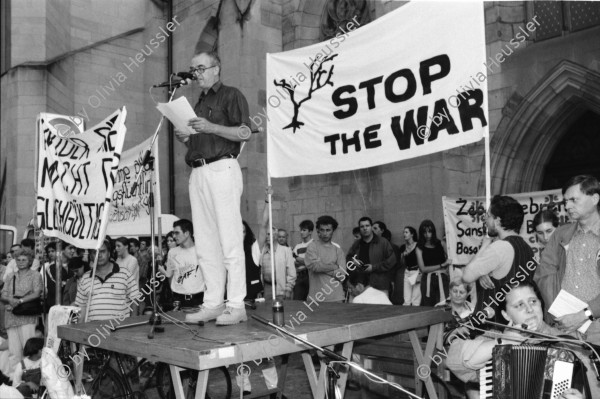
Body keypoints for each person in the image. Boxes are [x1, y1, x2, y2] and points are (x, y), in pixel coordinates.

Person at [177, 51, 253, 326]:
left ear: (216, 69)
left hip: (223, 168)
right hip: (198, 171)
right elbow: (204, 140)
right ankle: (212, 303)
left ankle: (236, 304)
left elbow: (244, 133)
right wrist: (188, 139)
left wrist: (210, 126)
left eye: (200, 68)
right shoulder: (198, 102)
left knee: (230, 240)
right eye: (193, 69)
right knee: (206, 243)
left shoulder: (231, 95)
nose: (196, 73)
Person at [445, 281, 578, 399]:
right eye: (519, 305)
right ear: (506, 315)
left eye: (533, 301)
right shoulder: (493, 336)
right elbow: (454, 360)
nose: (530, 309)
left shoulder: (563, 341)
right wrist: (506, 342)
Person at [535, 175, 600, 397]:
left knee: (594, 391)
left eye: (574, 200)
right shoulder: (561, 234)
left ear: (594, 198)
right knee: (560, 391)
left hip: (597, 331)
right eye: (565, 201)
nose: (567, 206)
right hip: (564, 331)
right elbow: (544, 272)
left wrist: (585, 314)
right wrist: (562, 313)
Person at [462, 195, 536, 324]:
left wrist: (485, 245)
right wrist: (482, 274)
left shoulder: (499, 247)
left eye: (489, 215)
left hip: (494, 326)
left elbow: (466, 276)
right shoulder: (528, 249)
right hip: (520, 322)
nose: (485, 218)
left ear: (497, 221)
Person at [73, 239, 140, 321]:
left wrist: (132, 325)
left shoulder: (125, 274)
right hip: (93, 331)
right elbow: (81, 307)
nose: (99, 255)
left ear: (109, 253)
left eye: (103, 251)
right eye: (95, 252)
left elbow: (135, 300)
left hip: (119, 329)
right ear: (91, 256)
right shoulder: (85, 278)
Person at [1, 248, 42, 374]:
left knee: (28, 349)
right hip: (11, 316)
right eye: (18, 260)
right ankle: (15, 381)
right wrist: (11, 300)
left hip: (27, 317)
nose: (21, 262)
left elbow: (37, 293)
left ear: (30, 261)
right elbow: (3, 295)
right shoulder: (10, 276)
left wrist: (19, 301)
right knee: (13, 352)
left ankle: (29, 378)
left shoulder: (35, 275)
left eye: (24, 259)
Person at [158, 219, 205, 309]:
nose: (174, 236)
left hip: (199, 299)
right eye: (174, 233)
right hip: (178, 299)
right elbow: (170, 275)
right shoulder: (172, 252)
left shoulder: (201, 251)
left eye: (177, 233)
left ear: (187, 233)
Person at [346, 217, 396, 296]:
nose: (365, 228)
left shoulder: (383, 242)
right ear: (360, 229)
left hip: (380, 284)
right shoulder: (357, 244)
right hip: (361, 285)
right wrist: (353, 262)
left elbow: (392, 260)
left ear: (371, 227)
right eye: (362, 226)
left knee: (381, 308)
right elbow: (348, 258)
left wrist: (374, 267)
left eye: (367, 226)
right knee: (361, 308)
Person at [304, 215, 346, 303]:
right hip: (316, 298)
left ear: (333, 231)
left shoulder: (338, 250)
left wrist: (321, 266)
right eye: (322, 230)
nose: (325, 233)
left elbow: (342, 275)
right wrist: (335, 267)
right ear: (318, 231)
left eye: (328, 230)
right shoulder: (312, 246)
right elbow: (315, 266)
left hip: (336, 297)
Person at [416, 220, 450, 307]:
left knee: (444, 305)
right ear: (421, 233)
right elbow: (423, 269)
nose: (427, 235)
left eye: (429, 231)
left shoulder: (441, 243)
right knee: (428, 306)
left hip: (442, 278)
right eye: (425, 232)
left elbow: (451, 259)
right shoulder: (419, 248)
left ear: (433, 232)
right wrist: (442, 265)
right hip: (427, 279)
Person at [292, 220, 314, 301]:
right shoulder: (297, 246)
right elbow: (293, 262)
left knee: (311, 302)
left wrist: (298, 258)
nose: (301, 232)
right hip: (299, 276)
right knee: (297, 301)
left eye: (304, 230)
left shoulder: (314, 244)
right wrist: (304, 261)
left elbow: (312, 263)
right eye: (301, 230)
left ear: (310, 232)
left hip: (311, 276)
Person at [242, 220, 263, 302]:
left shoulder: (253, 248)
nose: (240, 234)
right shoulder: (229, 252)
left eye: (243, 232)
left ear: (246, 233)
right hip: (234, 296)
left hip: (252, 295)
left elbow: (264, 226)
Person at [400, 226, 420, 306]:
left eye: (406, 232)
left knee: (416, 299)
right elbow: (401, 264)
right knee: (406, 299)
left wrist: (420, 273)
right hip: (407, 271)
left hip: (416, 271)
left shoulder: (418, 245)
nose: (404, 234)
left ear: (412, 234)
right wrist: (403, 256)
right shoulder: (402, 247)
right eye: (403, 232)